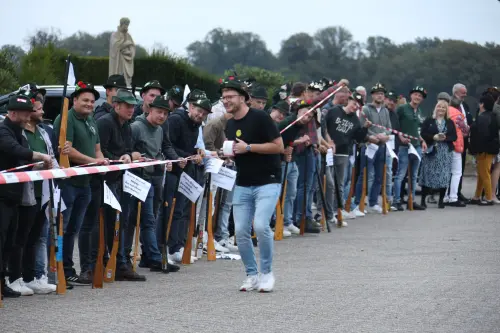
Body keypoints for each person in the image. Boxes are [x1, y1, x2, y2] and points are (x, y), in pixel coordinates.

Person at [222, 76, 283, 292]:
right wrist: (227, 155)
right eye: (223, 98)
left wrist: (249, 148)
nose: (226, 101)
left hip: (268, 181)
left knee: (260, 225)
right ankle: (251, 275)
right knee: (240, 232)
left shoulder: (261, 118)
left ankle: (266, 273)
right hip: (243, 183)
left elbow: (278, 147)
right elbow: (237, 151)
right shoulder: (229, 124)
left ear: (243, 98)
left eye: (230, 97)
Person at [53, 81, 109, 286]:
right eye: (85, 100)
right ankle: (60, 269)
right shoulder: (65, 119)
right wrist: (95, 162)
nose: (89, 104)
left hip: (86, 183)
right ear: (74, 100)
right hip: (68, 183)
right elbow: (67, 151)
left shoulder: (92, 120)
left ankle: (68, 269)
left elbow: (97, 149)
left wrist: (102, 161)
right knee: (63, 227)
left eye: (92, 101)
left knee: (74, 229)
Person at [0, 95, 53, 299]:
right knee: (2, 239)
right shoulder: (4, 131)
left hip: (15, 196)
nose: (28, 116)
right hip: (2, 196)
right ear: (13, 113)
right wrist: (38, 156)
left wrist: (37, 166)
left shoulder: (19, 132)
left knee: (10, 241)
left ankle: (4, 281)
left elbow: (21, 159)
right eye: (24, 113)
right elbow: (14, 150)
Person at [96, 89, 146, 280]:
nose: (131, 109)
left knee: (121, 221)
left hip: (119, 179)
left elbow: (127, 148)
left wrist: (128, 155)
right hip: (105, 180)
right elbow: (100, 151)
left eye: (133, 106)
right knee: (108, 223)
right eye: (127, 106)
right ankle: (107, 262)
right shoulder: (105, 123)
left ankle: (120, 261)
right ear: (116, 106)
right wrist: (120, 158)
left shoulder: (126, 125)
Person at [324, 92, 370, 224]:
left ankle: (336, 210)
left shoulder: (355, 120)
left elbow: (358, 138)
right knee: (329, 183)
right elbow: (324, 127)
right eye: (354, 103)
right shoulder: (334, 111)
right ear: (349, 100)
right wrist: (327, 142)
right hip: (328, 151)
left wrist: (365, 128)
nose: (355, 107)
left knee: (340, 184)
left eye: (358, 106)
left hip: (344, 153)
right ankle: (326, 211)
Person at [352, 83, 392, 215]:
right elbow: (362, 128)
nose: (380, 96)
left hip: (381, 146)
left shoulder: (386, 111)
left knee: (379, 176)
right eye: (377, 93)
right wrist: (371, 137)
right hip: (369, 146)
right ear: (372, 95)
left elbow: (389, 128)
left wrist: (385, 136)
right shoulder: (366, 109)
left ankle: (373, 202)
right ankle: (358, 203)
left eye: (382, 94)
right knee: (364, 174)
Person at [392, 86, 428, 211]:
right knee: (400, 174)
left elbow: (418, 129)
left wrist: (422, 140)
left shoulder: (419, 111)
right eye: (416, 94)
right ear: (411, 95)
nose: (417, 97)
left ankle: (411, 200)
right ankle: (396, 200)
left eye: (420, 96)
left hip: (416, 146)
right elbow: (394, 124)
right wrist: (400, 136)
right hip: (404, 146)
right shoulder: (402, 109)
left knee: (413, 175)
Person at [419, 100, 457, 208]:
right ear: (436, 108)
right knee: (428, 175)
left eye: (443, 107)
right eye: (439, 107)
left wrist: (445, 138)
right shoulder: (429, 120)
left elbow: (454, 136)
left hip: (445, 152)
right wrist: (433, 137)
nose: (441, 109)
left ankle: (441, 200)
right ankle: (423, 200)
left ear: (446, 110)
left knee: (444, 176)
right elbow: (423, 133)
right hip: (432, 151)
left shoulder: (450, 122)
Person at [468, 93, 499, 205]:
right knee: (482, 173)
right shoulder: (492, 116)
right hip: (490, 149)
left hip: (483, 150)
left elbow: (480, 136)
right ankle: (477, 196)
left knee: (485, 174)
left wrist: (474, 150)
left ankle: (489, 198)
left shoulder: (482, 118)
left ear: (482, 104)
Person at [444, 97, 468, 207]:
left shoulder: (444, 111)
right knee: (456, 172)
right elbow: (465, 130)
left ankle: (444, 196)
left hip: (445, 145)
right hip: (456, 145)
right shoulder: (458, 114)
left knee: (446, 172)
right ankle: (453, 197)